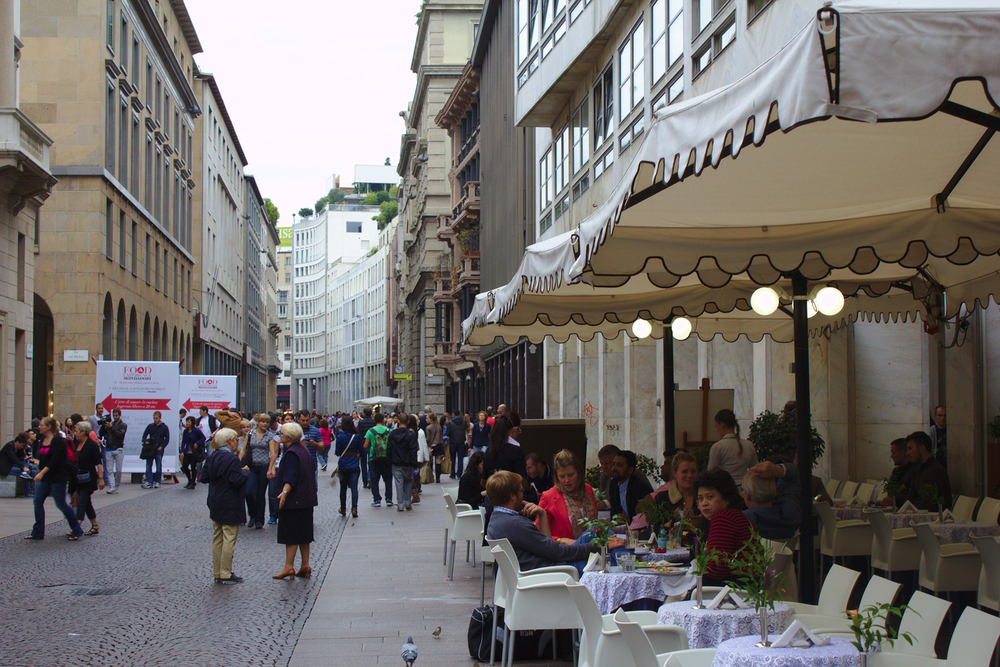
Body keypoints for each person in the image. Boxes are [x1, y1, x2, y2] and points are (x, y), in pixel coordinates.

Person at [485, 470, 623, 575]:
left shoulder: (496, 519)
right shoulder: (515, 524)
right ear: (512, 496)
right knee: (606, 555)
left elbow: (547, 545)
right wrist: (600, 547)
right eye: (521, 491)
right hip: (554, 572)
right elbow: (557, 552)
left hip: (543, 569)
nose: (523, 495)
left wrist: (542, 514)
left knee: (594, 532)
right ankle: (628, 574)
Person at [200, 427, 248, 584]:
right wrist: (245, 472)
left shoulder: (212, 457)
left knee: (217, 537)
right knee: (229, 538)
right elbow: (237, 480)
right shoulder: (232, 459)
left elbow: (204, 478)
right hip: (230, 502)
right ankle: (225, 572)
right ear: (229, 441)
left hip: (215, 500)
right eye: (235, 439)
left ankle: (217, 571)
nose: (237, 442)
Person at [26, 417, 84, 540]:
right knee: (37, 501)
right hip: (46, 477)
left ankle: (77, 530)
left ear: (49, 427)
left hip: (57, 477)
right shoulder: (42, 440)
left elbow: (55, 460)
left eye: (42, 425)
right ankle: (38, 532)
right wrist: (40, 471)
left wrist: (41, 473)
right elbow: (43, 459)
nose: (39, 427)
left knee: (61, 504)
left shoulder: (57, 440)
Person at [273, 421, 317, 580]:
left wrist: (284, 492)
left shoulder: (292, 453)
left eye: (282, 434)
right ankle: (305, 565)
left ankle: (288, 567)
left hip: (295, 501)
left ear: (289, 437)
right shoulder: (303, 450)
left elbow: (290, 476)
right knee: (304, 534)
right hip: (306, 499)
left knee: (291, 534)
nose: (280, 436)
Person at [695, 468, 753, 586]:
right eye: (700, 498)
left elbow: (716, 569)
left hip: (734, 590)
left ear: (726, 498)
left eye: (709, 497)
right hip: (743, 586)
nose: (704, 503)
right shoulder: (734, 514)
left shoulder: (724, 518)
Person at [537, 449, 598, 542]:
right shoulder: (548, 497)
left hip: (592, 547)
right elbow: (538, 534)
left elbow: (595, 524)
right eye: (562, 477)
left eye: (571, 475)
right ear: (556, 476)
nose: (567, 480)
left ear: (578, 472)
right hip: (564, 549)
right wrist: (560, 540)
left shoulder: (587, 489)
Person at [741, 459, 801, 540]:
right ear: (775, 490)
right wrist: (777, 470)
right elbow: (792, 477)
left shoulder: (740, 521)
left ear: (747, 495)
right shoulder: (791, 514)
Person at [241, 414, 277, 529]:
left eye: (267, 422)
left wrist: (271, 468)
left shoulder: (269, 436)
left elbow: (273, 453)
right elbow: (243, 449)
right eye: (262, 421)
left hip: (263, 466)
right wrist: (237, 463)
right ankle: (252, 515)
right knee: (249, 492)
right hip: (251, 467)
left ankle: (259, 520)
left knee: (260, 494)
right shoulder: (250, 434)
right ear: (258, 422)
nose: (265, 424)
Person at [708, 409, 758, 485]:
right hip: (745, 487)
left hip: (725, 487)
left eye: (716, 426)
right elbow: (754, 469)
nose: (717, 430)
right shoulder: (749, 445)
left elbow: (710, 473)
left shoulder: (718, 447)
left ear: (721, 425)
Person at [905, 430, 952, 511]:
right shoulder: (917, 471)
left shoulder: (936, 471)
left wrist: (908, 512)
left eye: (910, 448)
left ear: (922, 448)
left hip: (934, 516)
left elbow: (927, 504)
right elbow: (910, 500)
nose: (907, 453)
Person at [72, 421, 104, 536]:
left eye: (76, 431)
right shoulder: (76, 443)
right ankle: (95, 526)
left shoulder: (92, 445)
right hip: (78, 478)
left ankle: (76, 528)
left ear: (83, 432)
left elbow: (98, 463)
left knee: (81, 502)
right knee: (87, 503)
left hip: (89, 478)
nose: (74, 433)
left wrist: (100, 478)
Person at [608, 450, 654, 524]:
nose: (614, 468)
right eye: (613, 464)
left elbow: (643, 516)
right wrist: (616, 518)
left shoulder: (639, 487)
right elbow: (614, 511)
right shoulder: (613, 484)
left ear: (630, 470)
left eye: (619, 465)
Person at [483, 412, 528, 482]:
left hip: (493, 488)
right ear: (515, 429)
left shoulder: (489, 450)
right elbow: (522, 481)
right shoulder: (516, 451)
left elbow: (483, 481)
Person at [388, 413, 418, 512]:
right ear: (408, 422)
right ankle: (408, 502)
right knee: (408, 481)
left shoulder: (392, 434)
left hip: (396, 462)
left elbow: (389, 448)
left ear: (398, 421)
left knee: (398, 482)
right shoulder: (411, 434)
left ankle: (400, 504)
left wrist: (389, 461)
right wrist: (415, 464)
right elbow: (413, 450)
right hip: (408, 462)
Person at [334, 418, 363, 518]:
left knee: (343, 488)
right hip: (354, 464)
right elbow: (362, 451)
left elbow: (337, 452)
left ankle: (343, 509)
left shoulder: (339, 436)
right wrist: (358, 455)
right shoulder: (356, 437)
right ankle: (354, 508)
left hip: (343, 465)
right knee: (354, 488)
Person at [365, 412, 393, 507]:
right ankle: (389, 499)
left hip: (374, 458)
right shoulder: (389, 430)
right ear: (383, 420)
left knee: (374, 479)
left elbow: (365, 445)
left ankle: (377, 499)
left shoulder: (370, 431)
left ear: (374, 420)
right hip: (387, 458)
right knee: (388, 479)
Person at [878, 438, 914, 507]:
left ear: (902, 453)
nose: (891, 456)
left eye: (893, 452)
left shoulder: (914, 471)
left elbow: (912, 496)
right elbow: (890, 492)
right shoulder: (896, 471)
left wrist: (894, 500)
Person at [140, 411, 169, 489]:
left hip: (159, 448)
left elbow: (167, 439)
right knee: (148, 465)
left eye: (156, 418)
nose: (155, 420)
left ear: (160, 418)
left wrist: (162, 446)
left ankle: (157, 481)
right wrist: (145, 442)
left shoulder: (164, 427)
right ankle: (149, 481)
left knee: (158, 466)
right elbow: (144, 435)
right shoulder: (150, 426)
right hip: (151, 449)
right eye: (154, 418)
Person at [104, 408, 127, 493]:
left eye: (116, 415)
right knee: (109, 469)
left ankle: (116, 485)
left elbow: (120, 435)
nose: (115, 417)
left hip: (118, 448)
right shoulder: (111, 423)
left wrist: (112, 428)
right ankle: (112, 486)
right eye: (114, 415)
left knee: (118, 470)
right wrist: (104, 426)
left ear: (120, 415)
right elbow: (104, 433)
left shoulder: (123, 425)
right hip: (109, 447)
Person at [180, 416, 206, 489]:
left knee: (193, 466)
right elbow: (183, 442)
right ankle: (189, 480)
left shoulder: (196, 431)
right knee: (185, 466)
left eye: (189, 422)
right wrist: (182, 451)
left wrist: (197, 443)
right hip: (187, 451)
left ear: (192, 423)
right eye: (187, 421)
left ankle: (193, 482)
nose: (187, 423)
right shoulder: (185, 431)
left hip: (194, 452)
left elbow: (203, 438)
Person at [296, 409, 322, 477]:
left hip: (311, 465)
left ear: (310, 419)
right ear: (298, 419)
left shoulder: (315, 431)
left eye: (307, 420)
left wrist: (314, 444)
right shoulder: (293, 430)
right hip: (296, 465)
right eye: (303, 420)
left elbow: (322, 448)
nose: (305, 423)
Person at [356, 407, 376, 489]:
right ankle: (369, 477)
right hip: (371, 444)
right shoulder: (373, 422)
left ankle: (365, 482)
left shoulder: (361, 422)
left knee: (363, 464)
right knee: (371, 463)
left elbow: (358, 433)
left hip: (363, 445)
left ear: (364, 413)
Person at [445, 412, 468, 479]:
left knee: (453, 458)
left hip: (453, 441)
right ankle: (459, 473)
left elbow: (447, 432)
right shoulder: (464, 422)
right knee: (460, 458)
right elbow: (465, 429)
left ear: (453, 414)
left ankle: (452, 472)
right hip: (461, 441)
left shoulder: (450, 422)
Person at [412, 416, 428, 501]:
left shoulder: (409, 431)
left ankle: (414, 488)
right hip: (419, 455)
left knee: (414, 472)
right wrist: (426, 457)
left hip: (413, 455)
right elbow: (424, 445)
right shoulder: (420, 431)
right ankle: (417, 487)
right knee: (416, 473)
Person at [426, 411, 444, 483]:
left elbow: (428, 439)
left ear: (431, 419)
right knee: (438, 461)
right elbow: (441, 437)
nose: (426, 419)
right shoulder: (439, 427)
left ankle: (431, 476)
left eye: (427, 418)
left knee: (430, 461)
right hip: (439, 445)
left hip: (432, 445)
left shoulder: (428, 428)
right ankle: (438, 477)